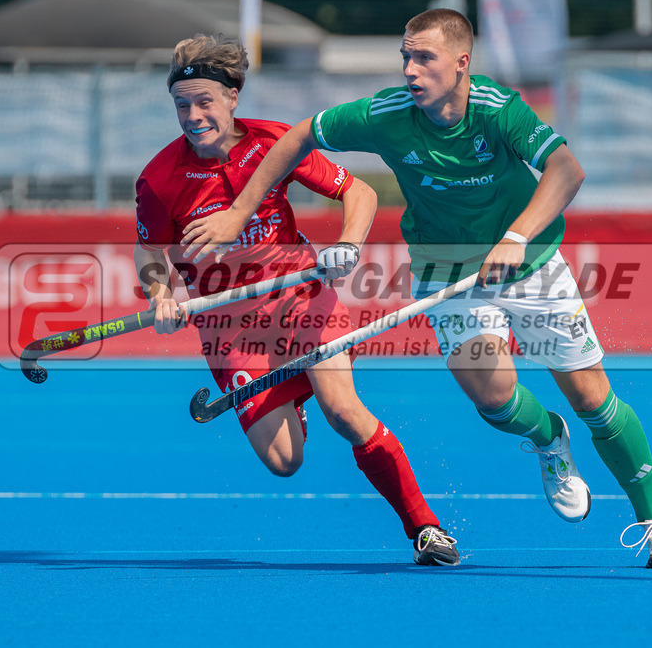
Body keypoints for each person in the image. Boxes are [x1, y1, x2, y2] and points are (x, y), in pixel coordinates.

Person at [181, 11, 652, 569]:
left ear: (461, 63)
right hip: (448, 271)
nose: (410, 69)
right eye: (405, 56)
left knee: (592, 396)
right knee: (494, 398)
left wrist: (518, 236)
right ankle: (549, 437)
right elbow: (301, 134)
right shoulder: (388, 114)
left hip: (531, 265)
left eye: (423, 57)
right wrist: (238, 212)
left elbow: (566, 170)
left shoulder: (498, 111)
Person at [132, 34, 460, 566]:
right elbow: (149, 252)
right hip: (227, 326)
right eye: (182, 104)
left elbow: (361, 192)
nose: (193, 115)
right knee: (284, 462)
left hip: (300, 297)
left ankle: (425, 529)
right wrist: (161, 294)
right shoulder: (159, 179)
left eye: (204, 102)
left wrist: (348, 245)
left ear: (233, 97)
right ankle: (294, 389)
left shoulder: (272, 143)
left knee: (346, 414)